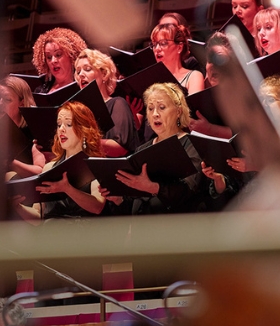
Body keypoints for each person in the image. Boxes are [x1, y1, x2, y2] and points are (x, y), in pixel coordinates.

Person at [101, 82, 205, 215]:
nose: (155, 114)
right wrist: (118, 199)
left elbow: (189, 190)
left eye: (162, 107)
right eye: (150, 108)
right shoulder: (141, 150)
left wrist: (153, 187)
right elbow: (133, 202)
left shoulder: (191, 144)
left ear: (178, 111)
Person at [15, 101, 106, 223]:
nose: (61, 129)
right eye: (59, 125)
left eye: (68, 124)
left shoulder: (95, 165)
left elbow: (97, 207)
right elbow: (38, 217)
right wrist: (17, 207)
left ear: (84, 130)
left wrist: (67, 189)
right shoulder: (49, 168)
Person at [74, 49, 138, 157]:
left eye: (87, 69)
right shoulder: (79, 112)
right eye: (78, 71)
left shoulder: (118, 104)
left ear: (104, 74)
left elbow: (120, 149)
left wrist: (83, 141)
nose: (81, 75)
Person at [0, 76, 45, 177]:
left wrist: (9, 162)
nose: (0, 103)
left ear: (22, 103)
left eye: (7, 99)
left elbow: (40, 171)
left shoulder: (34, 132)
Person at [150, 23, 204, 95]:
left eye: (163, 43)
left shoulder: (194, 77)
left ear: (179, 47)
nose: (157, 49)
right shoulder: (152, 80)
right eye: (154, 44)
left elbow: (194, 102)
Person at [31, 28, 88, 94]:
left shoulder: (83, 87)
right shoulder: (40, 91)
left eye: (58, 55)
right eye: (49, 57)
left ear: (71, 55)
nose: (53, 61)